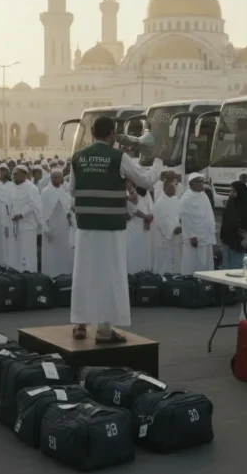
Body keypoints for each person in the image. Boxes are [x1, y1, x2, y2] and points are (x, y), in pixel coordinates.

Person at [69, 116, 156, 344]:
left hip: (86, 227)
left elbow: (72, 191)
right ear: (112, 134)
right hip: (111, 229)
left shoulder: (78, 157)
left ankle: (80, 325)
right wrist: (158, 166)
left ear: (93, 133)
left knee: (84, 274)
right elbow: (145, 181)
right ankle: (105, 330)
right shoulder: (119, 157)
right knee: (109, 275)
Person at [5, 165, 41, 272]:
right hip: (14, 226)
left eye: (16, 174)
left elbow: (35, 205)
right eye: (13, 174)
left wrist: (21, 215)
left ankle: (30, 275)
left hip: (28, 225)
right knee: (15, 252)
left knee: (27, 252)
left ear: (24, 175)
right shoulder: (12, 187)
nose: (13, 176)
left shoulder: (32, 188)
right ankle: (16, 275)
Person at [179, 173, 216, 274]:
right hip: (195, 238)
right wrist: (191, 235)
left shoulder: (203, 195)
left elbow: (208, 214)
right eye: (200, 182)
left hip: (206, 236)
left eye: (202, 181)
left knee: (206, 264)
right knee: (193, 263)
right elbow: (185, 218)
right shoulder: (186, 198)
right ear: (192, 184)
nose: (202, 184)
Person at [219, 180, 247, 269]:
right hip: (229, 243)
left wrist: (243, 240)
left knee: (241, 271)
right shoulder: (231, 203)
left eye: (234, 191)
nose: (231, 193)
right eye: (231, 191)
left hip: (242, 246)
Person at [40, 169, 74, 276]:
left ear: (62, 178)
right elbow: (42, 213)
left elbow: (68, 209)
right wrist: (46, 229)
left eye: (58, 177)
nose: (56, 179)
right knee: (50, 255)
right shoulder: (46, 192)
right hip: (51, 229)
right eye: (53, 177)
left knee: (63, 254)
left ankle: (63, 276)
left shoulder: (64, 192)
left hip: (63, 229)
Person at [150, 180, 182, 274]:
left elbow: (180, 215)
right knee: (163, 259)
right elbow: (161, 219)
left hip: (177, 236)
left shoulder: (177, 200)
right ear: (165, 189)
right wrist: (171, 229)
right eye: (170, 188)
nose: (173, 190)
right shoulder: (160, 203)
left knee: (176, 258)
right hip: (164, 237)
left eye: (174, 188)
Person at [125, 182, 154, 273]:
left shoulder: (146, 193)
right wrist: (145, 216)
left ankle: (145, 273)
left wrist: (149, 219)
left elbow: (151, 208)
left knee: (144, 251)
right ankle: (132, 274)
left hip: (145, 227)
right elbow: (131, 209)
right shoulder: (128, 193)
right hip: (132, 227)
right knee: (133, 251)